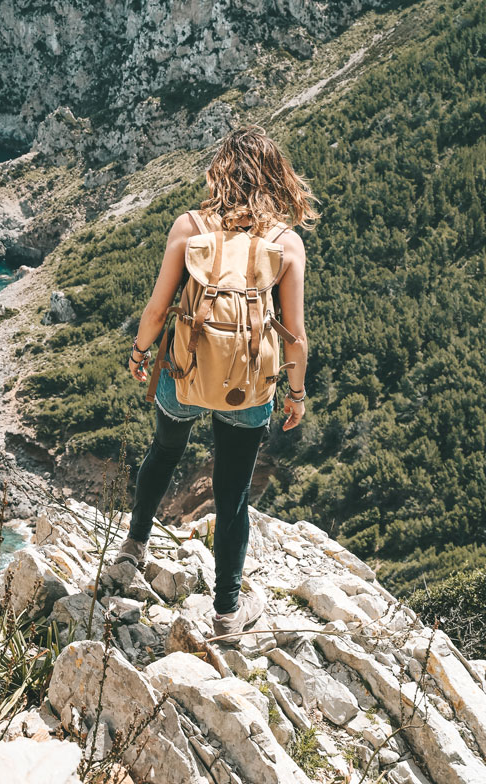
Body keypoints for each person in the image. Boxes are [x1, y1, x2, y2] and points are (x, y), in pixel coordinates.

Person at [116, 125, 319, 642]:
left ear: (219, 173)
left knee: (163, 451)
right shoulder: (285, 242)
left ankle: (132, 550)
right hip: (248, 387)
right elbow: (293, 336)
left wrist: (141, 353)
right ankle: (227, 614)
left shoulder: (189, 226)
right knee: (231, 494)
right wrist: (296, 393)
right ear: (277, 178)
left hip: (181, 375)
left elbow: (159, 307)